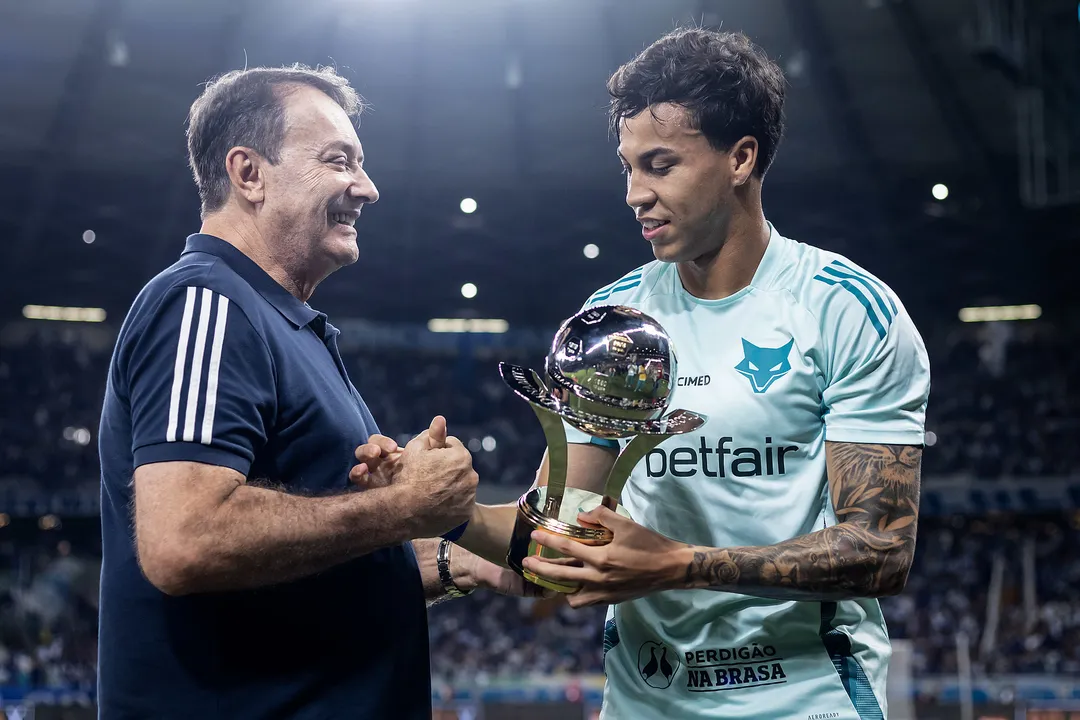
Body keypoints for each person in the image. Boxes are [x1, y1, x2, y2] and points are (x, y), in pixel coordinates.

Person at [458, 28, 930, 720]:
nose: (634, 194)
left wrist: (680, 564)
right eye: (627, 168)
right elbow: (559, 531)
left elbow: (881, 550)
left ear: (741, 158)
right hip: (646, 702)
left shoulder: (844, 309)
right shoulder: (612, 323)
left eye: (660, 165)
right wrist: (450, 513)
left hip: (805, 700)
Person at [96, 65, 534, 720]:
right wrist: (402, 507)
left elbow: (295, 575)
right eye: (339, 160)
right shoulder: (205, 300)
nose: (368, 187)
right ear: (249, 174)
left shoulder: (282, 323)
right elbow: (185, 539)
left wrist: (452, 562)